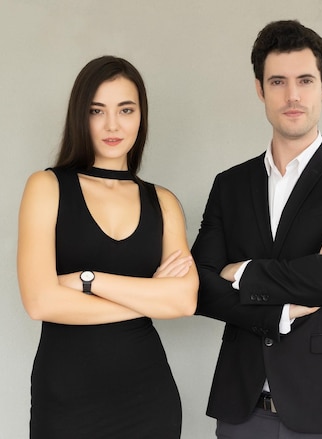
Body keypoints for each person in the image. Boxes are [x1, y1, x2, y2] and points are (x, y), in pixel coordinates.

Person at [192, 20, 322, 438]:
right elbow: (201, 286)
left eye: (305, 80)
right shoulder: (230, 184)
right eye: (278, 81)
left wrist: (242, 271)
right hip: (243, 410)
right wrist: (280, 310)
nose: (292, 95)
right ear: (260, 89)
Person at [17, 55, 198, 439]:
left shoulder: (162, 201)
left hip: (148, 398)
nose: (112, 124)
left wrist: (87, 279)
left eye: (125, 109)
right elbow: (40, 302)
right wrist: (146, 298)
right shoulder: (46, 187)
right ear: (80, 117)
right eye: (97, 110)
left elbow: (183, 302)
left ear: (141, 116)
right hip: (66, 398)